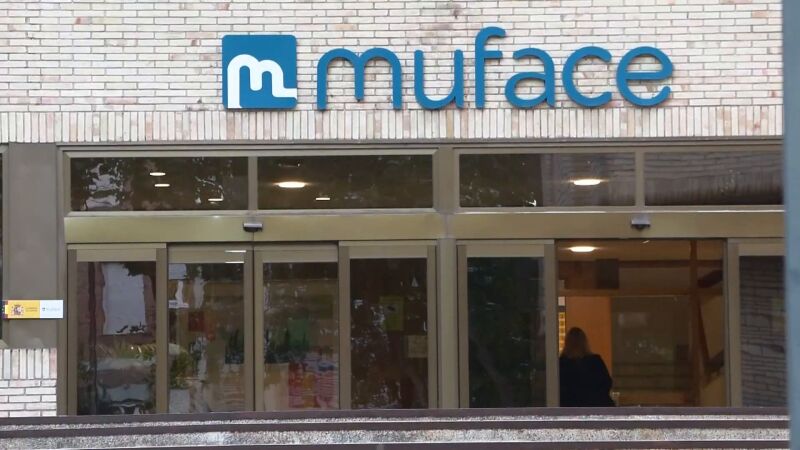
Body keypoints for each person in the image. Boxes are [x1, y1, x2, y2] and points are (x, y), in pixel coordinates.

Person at [559, 327, 615, 407]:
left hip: (570, 408)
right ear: (585, 342)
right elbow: (606, 383)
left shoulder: (562, 364)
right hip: (596, 406)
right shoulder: (595, 362)